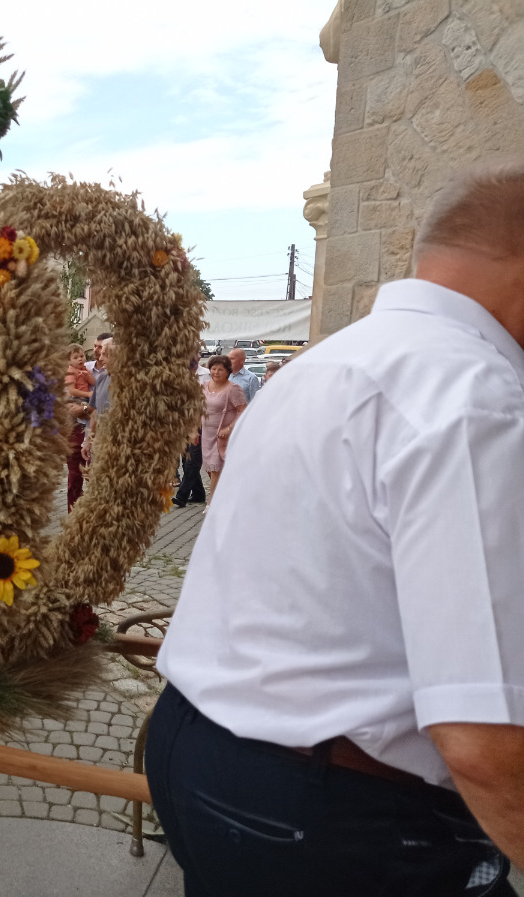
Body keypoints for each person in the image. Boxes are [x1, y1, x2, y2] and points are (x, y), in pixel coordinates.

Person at [147, 162, 524, 896]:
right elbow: (484, 737)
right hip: (331, 808)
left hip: (203, 750)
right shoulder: (477, 394)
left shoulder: (323, 364)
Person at [199, 354, 246, 509]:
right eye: (213, 369)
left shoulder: (233, 389)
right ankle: (227, 496)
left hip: (223, 436)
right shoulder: (204, 386)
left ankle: (212, 504)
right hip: (207, 434)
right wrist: (193, 431)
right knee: (210, 469)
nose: (216, 372)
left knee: (216, 469)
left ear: (228, 371)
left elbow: (243, 411)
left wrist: (229, 428)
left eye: (220, 369)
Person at [171, 356, 207, 508]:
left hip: (201, 424)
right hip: (184, 423)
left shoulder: (206, 375)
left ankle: (182, 496)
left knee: (193, 461)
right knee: (187, 460)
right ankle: (198, 493)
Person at [63, 343, 94, 510]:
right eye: (75, 357)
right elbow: (67, 398)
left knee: (95, 475)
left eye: (82, 356)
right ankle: (73, 511)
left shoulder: (89, 370)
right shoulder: (69, 373)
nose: (80, 359)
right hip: (76, 428)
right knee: (75, 474)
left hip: (95, 429)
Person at [81, 338, 113, 464]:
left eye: (105, 354)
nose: (100, 358)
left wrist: (81, 409)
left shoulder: (130, 383)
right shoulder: (102, 378)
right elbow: (94, 411)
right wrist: (88, 441)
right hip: (100, 448)